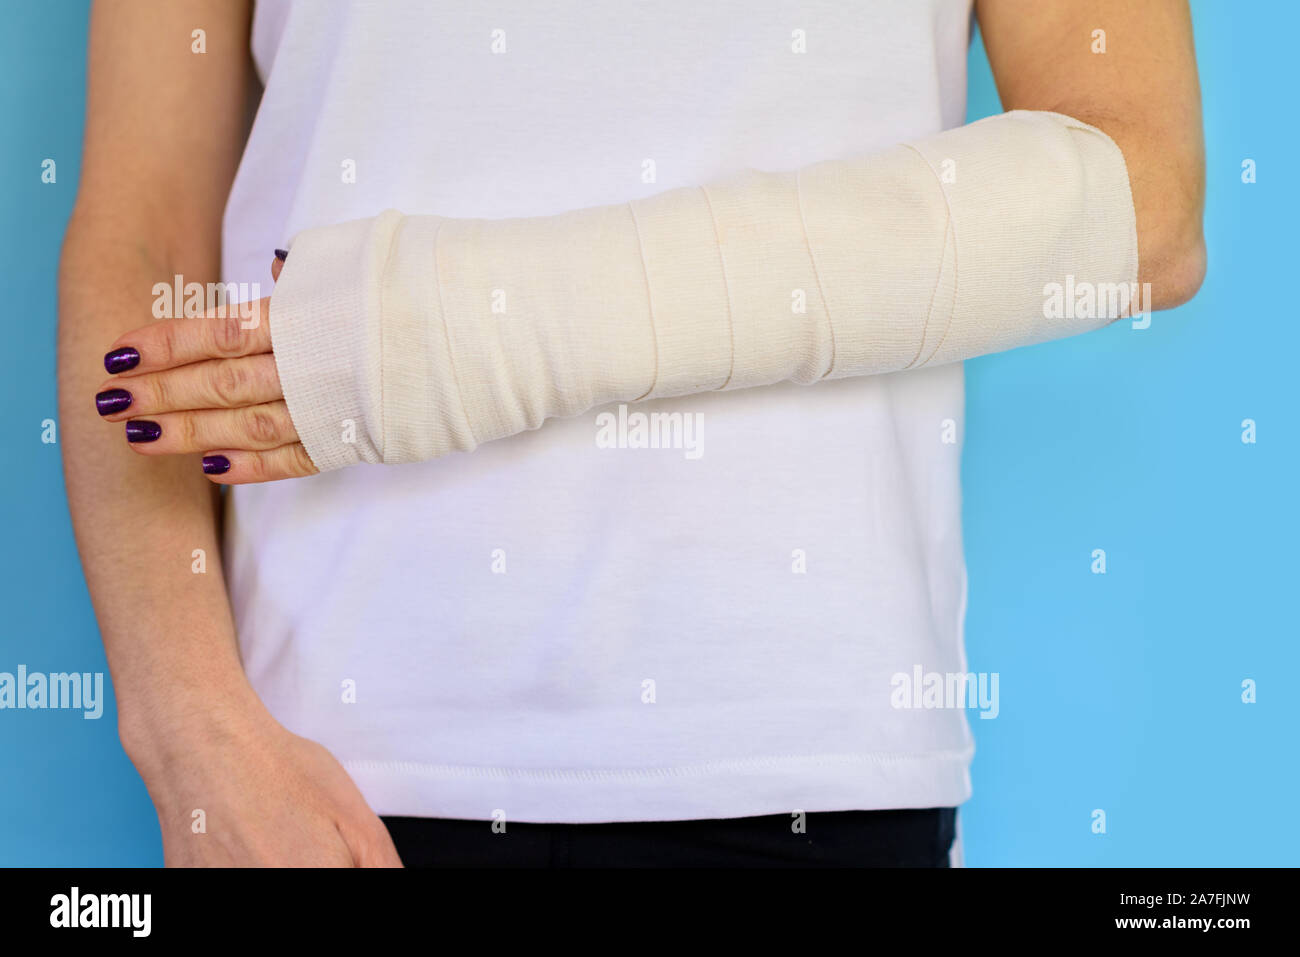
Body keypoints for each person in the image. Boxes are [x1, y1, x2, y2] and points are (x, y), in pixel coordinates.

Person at [59, 0, 1204, 867]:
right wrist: (190, 736)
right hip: (327, 777)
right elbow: (144, 231)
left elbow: (1141, 198)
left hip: (806, 751)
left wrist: (456, 332)